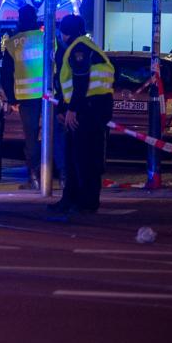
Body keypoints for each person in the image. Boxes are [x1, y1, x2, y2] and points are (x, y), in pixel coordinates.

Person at [49, 14, 114, 215]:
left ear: (65, 32)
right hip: (92, 107)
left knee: (83, 158)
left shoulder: (79, 48)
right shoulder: (87, 46)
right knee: (76, 156)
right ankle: (72, 199)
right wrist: (63, 107)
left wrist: (72, 110)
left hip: (87, 109)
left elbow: (80, 82)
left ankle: (85, 201)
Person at [1, 4, 44, 190]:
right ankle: (63, 176)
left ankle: (34, 178)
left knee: (31, 139)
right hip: (50, 96)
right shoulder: (46, 39)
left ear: (20, 19)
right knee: (54, 137)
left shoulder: (13, 43)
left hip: (26, 98)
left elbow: (6, 74)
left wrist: (11, 99)